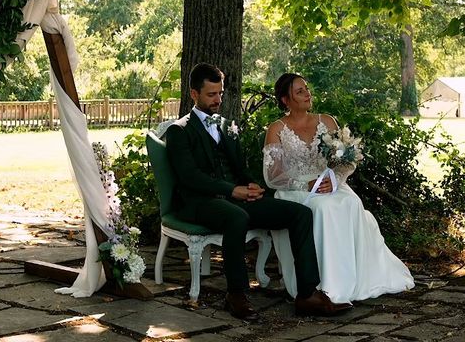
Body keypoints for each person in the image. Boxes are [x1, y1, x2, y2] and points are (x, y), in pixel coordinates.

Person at [165, 63, 352, 320]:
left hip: (235, 197)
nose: (218, 100)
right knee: (236, 217)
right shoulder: (179, 131)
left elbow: (238, 168)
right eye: (211, 95)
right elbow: (191, 178)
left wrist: (251, 185)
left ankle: (307, 294)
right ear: (194, 94)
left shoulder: (226, 125)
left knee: (300, 213)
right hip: (200, 202)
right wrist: (234, 191)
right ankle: (236, 294)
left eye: (220, 93)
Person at [262, 73, 414, 303]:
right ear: (285, 99)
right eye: (299, 91)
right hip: (295, 189)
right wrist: (305, 183)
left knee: (350, 201)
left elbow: (346, 159)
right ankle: (324, 285)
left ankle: (354, 278)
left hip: (330, 182)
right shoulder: (276, 129)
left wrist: (334, 178)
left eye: (307, 89)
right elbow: (273, 176)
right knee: (322, 208)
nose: (307, 94)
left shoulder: (327, 121)